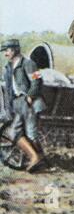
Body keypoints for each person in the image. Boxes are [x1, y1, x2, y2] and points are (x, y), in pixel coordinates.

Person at [1, 39, 47, 172]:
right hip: (18, 103)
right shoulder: (8, 68)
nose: (5, 54)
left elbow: (37, 80)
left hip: (30, 102)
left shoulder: (29, 63)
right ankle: (36, 157)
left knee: (31, 134)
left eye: (7, 51)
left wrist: (30, 97)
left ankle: (37, 158)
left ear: (15, 50)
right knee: (14, 132)